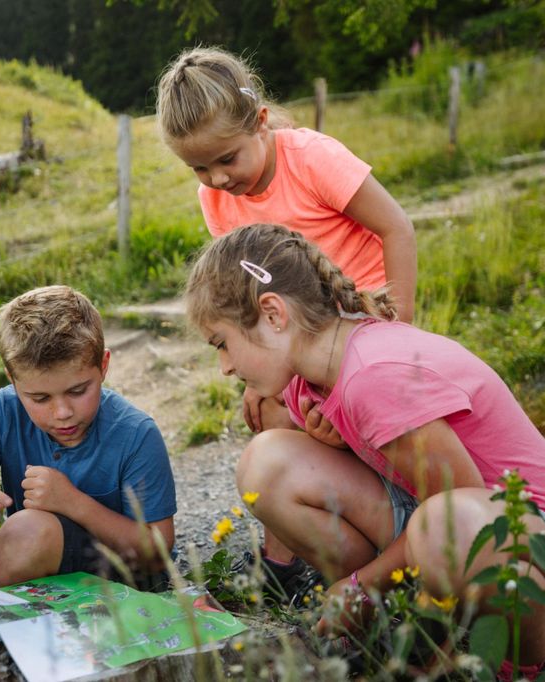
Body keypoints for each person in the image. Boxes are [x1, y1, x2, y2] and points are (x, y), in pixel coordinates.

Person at [183, 224, 545, 679]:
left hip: (536, 545)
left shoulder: (373, 375)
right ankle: (386, 615)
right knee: (267, 462)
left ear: (273, 314)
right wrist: (332, 443)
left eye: (222, 343)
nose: (224, 366)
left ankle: (531, 660)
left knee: (446, 521)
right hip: (437, 532)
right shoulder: (307, 377)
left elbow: (462, 512)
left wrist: (361, 584)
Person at [157, 46, 418, 576]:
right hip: (295, 339)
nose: (217, 180)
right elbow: (244, 295)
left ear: (259, 122)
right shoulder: (217, 199)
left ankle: (391, 546)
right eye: (198, 168)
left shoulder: (312, 159)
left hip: (361, 331)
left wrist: (401, 335)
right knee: (269, 415)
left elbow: (398, 229)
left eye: (227, 159)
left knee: (331, 425)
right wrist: (258, 378)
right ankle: (295, 560)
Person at [0, 285, 177, 601]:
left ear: (103, 366)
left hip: (122, 581)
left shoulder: (135, 433)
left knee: (25, 535)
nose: (62, 413)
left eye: (78, 391)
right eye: (39, 398)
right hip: (28, 562)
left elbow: (158, 552)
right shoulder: (1, 413)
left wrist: (72, 502)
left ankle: (12, 644)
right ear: (12, 378)